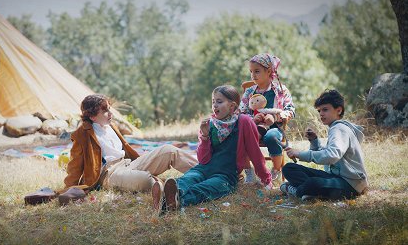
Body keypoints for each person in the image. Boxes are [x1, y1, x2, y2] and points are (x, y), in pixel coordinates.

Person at [151, 85, 272, 214]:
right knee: (188, 179)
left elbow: (255, 152)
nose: (215, 105)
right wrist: (204, 136)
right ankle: (169, 196)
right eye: (213, 102)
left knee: (204, 188)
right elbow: (203, 160)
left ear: (232, 106)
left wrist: (266, 178)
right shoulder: (210, 124)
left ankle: (170, 201)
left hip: (225, 175)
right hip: (203, 169)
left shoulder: (244, 122)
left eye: (219, 102)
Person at [60, 94, 198, 201]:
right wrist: (68, 189)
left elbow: (125, 149)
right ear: (92, 116)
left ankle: (205, 172)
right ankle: (173, 189)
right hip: (109, 174)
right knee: (145, 180)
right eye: (105, 111)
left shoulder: (110, 125)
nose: (110, 113)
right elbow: (75, 165)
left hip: (127, 163)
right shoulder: (82, 134)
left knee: (169, 150)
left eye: (109, 108)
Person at [281, 89, 368, 201]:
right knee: (289, 168)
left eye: (325, 109)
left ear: (339, 110)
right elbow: (330, 156)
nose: (321, 114)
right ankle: (311, 193)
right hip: (335, 178)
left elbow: (332, 156)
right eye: (319, 111)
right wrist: (314, 142)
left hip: (350, 184)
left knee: (312, 183)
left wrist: (300, 154)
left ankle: (297, 191)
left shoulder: (339, 129)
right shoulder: (335, 128)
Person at [239, 53, 295, 183]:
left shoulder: (280, 90)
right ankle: (249, 171)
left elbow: (290, 109)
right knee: (243, 137)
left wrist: (276, 117)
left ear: (269, 71)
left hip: (275, 127)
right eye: (251, 72)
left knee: (271, 137)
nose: (253, 75)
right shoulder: (249, 92)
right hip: (255, 127)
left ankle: (276, 169)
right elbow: (241, 112)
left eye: (257, 71)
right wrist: (252, 119)